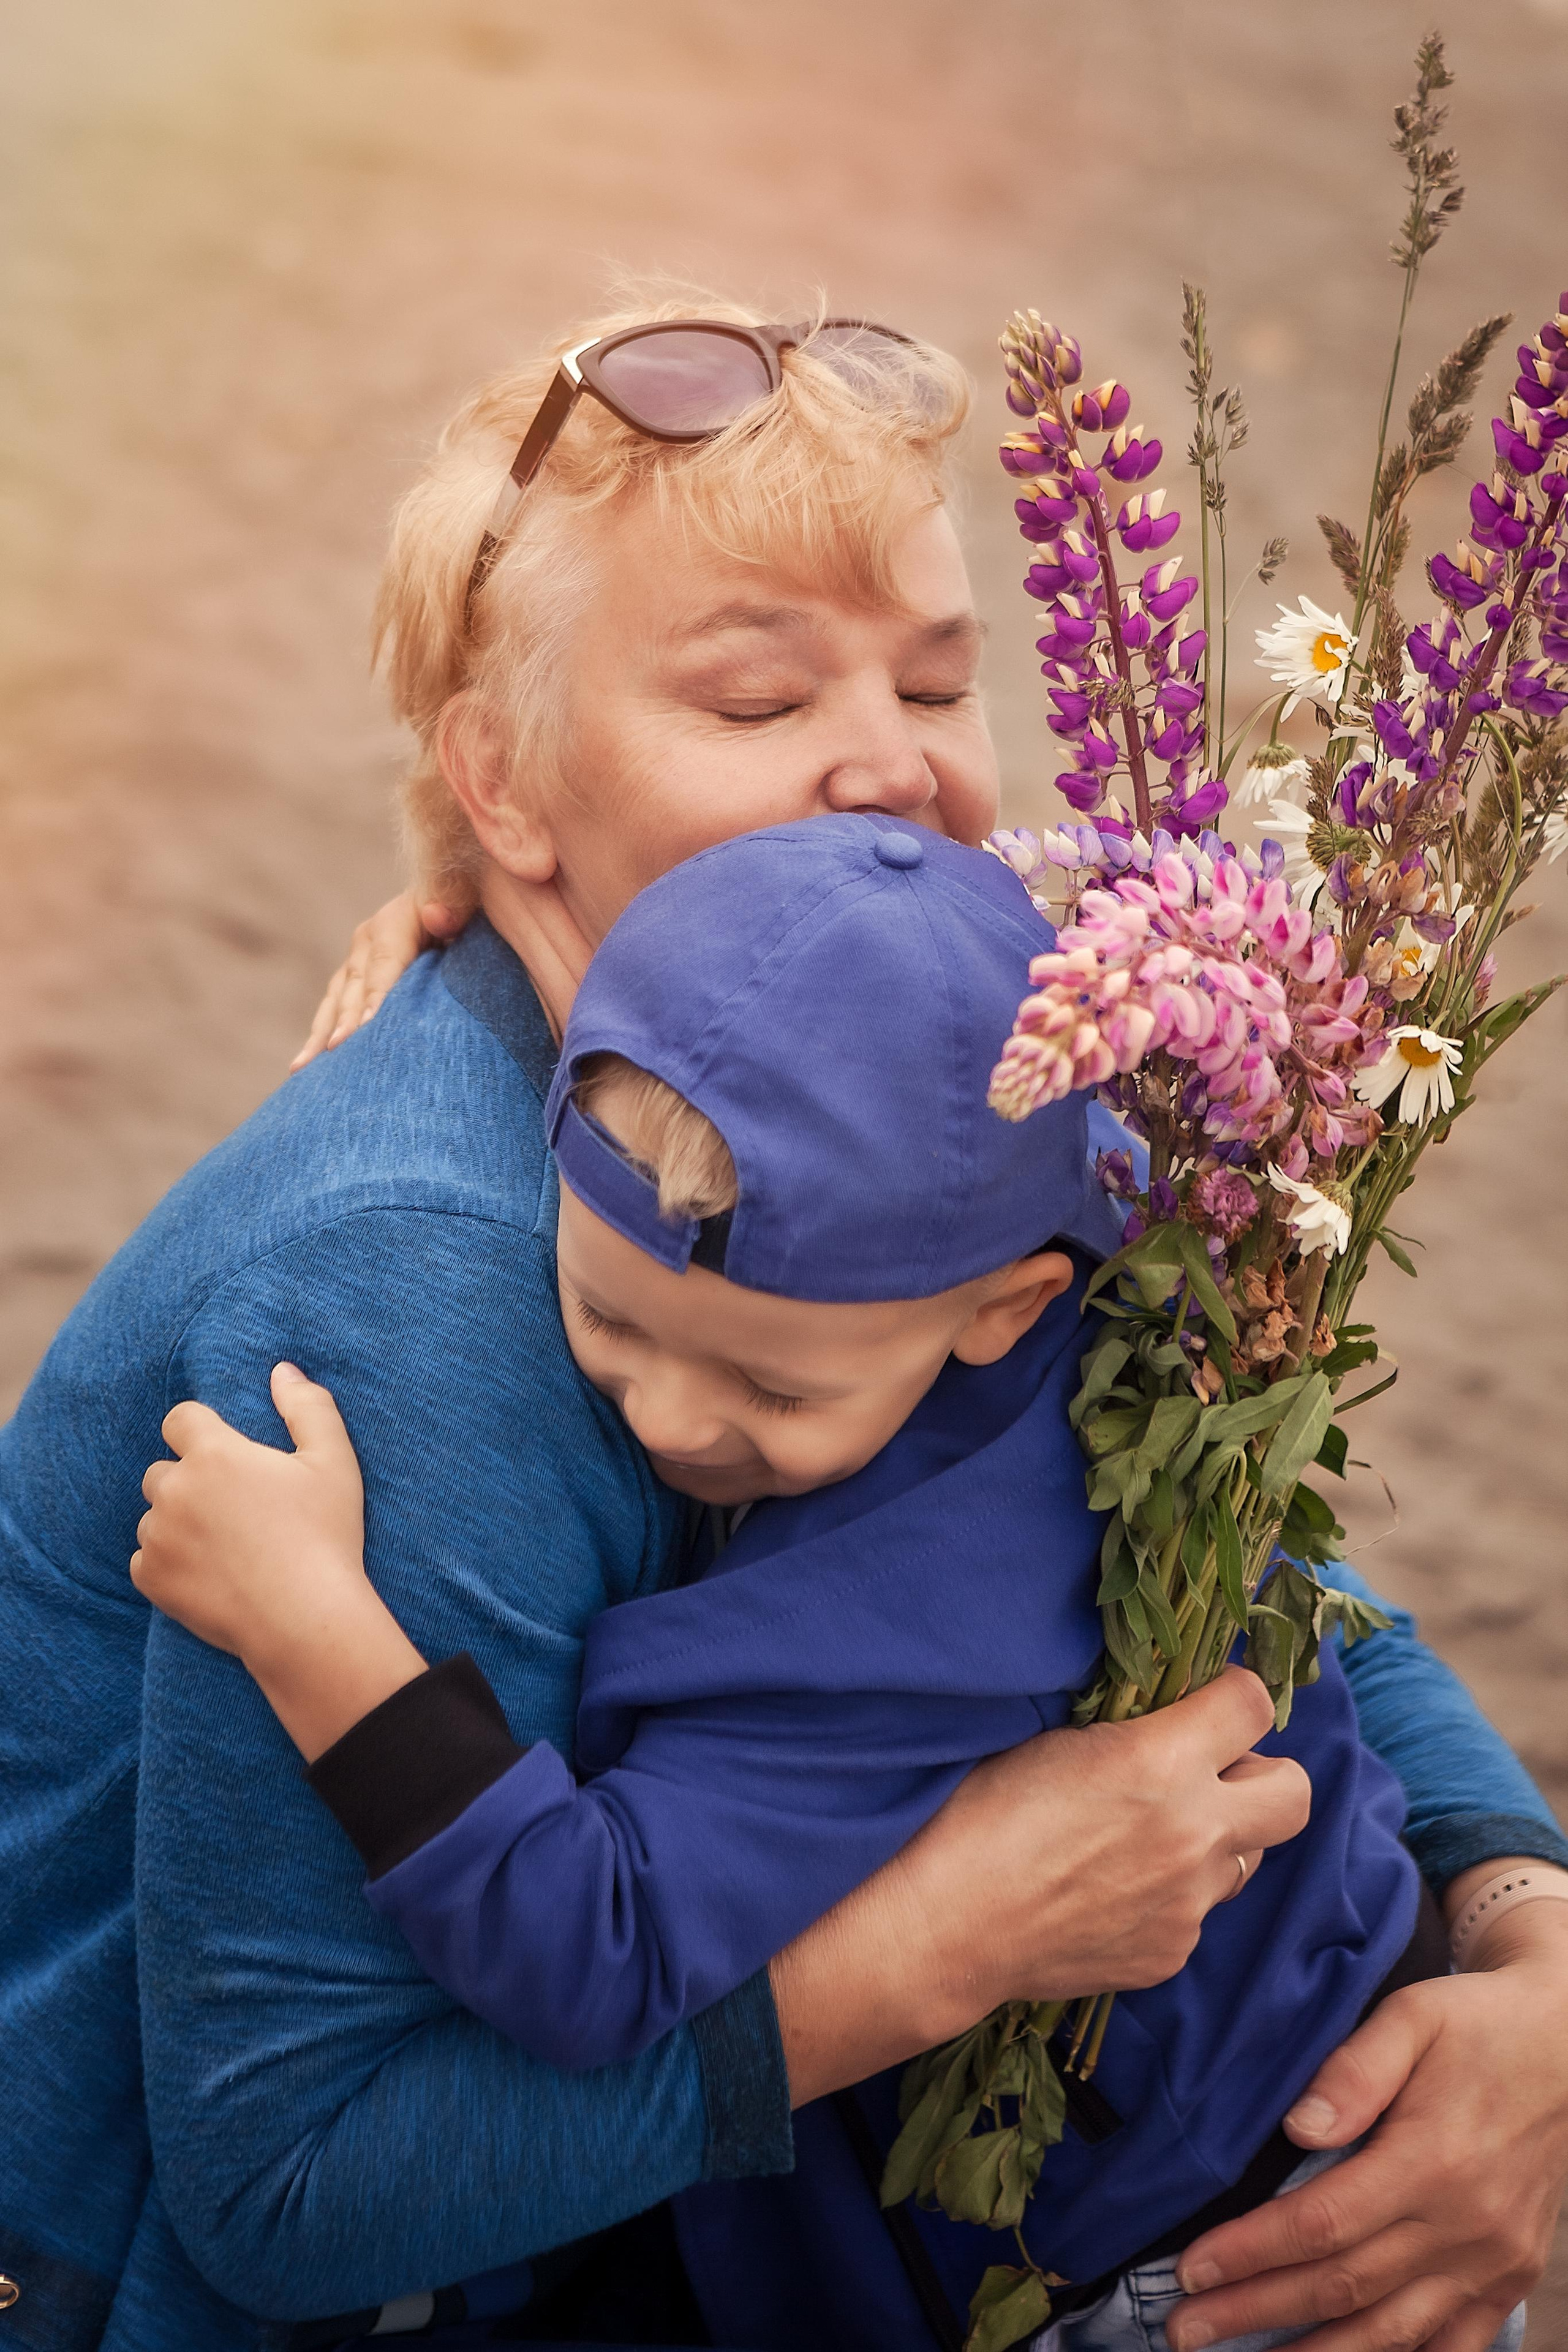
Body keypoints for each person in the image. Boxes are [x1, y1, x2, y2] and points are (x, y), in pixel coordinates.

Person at [0, 292, 1561, 2352]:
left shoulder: (924, 1087)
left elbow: (1206, 1520)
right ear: (506, 785)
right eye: (753, 701)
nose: (890, 770)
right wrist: (939, 1945)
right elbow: (287, 2192)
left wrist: (1523, 1931)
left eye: (937, 677)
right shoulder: (430, 1295)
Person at [131, 813, 1563, 2352]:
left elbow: (594, 1951)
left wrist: (316, 1632)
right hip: (1294, 2055)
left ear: (1001, 1311)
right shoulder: (1108, 1260)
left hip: (1209, 2270)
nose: (671, 1418)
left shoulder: (888, 1625)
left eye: (772, 1389)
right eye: (609, 1321)